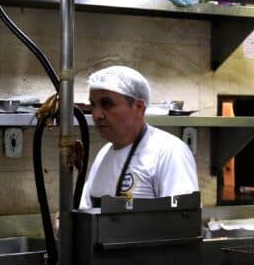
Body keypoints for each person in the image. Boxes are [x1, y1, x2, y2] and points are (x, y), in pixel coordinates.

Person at [78, 65, 199, 207]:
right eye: (93, 105)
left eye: (107, 104)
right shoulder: (103, 154)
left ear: (139, 107)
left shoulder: (169, 152)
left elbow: (183, 221)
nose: (97, 115)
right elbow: (85, 208)